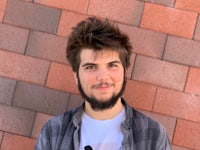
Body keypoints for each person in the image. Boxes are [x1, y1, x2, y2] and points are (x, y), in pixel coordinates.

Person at [34, 17, 172, 150]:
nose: (103, 77)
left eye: (112, 65)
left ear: (124, 71)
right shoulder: (53, 132)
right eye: (90, 67)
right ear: (76, 76)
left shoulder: (153, 135)